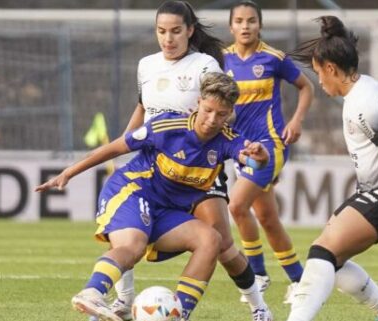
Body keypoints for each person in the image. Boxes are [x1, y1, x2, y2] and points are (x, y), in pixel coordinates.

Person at [35, 72, 270, 321]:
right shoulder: (166, 126)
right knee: (132, 247)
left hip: (168, 211)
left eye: (221, 114)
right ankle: (93, 292)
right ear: (199, 102)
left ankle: (178, 315)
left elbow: (251, 162)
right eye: (208, 110)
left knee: (211, 239)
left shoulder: (228, 140)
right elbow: (114, 148)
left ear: (230, 113)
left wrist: (261, 158)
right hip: (133, 190)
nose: (212, 120)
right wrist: (68, 173)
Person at [113, 2, 273, 321]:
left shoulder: (205, 65)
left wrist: (238, 148)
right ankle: (122, 303)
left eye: (175, 31)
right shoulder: (146, 65)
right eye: (161, 31)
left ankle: (259, 307)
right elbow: (143, 108)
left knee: (222, 244)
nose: (168, 38)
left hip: (199, 167)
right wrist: (124, 144)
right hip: (153, 166)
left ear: (189, 30)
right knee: (126, 227)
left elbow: (225, 108)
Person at [283, 16, 378, 321]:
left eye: (319, 74)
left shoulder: (364, 102)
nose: (319, 82)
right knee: (328, 258)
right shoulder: (370, 85)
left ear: (331, 69)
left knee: (321, 254)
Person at [223, 0, 314, 304]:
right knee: (268, 219)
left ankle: (257, 275)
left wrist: (297, 120)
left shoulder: (274, 58)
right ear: (231, 26)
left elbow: (306, 87)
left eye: (251, 20)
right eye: (239, 21)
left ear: (260, 25)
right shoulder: (221, 60)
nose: (245, 26)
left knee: (236, 206)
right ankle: (301, 281)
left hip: (271, 146)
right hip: (241, 149)